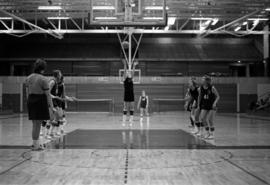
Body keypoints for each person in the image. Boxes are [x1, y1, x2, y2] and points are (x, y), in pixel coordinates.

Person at [25, 59, 54, 151]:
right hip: (40, 101)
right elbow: (48, 95)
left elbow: (27, 93)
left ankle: (35, 144)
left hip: (30, 100)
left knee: (35, 124)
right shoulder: (43, 79)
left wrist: (29, 102)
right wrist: (52, 107)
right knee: (38, 124)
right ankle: (36, 146)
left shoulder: (28, 78)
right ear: (43, 69)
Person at [122, 59, 138, 124]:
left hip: (131, 94)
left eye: (130, 72)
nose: (129, 73)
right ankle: (124, 120)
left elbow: (133, 72)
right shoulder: (125, 78)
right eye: (128, 72)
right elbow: (125, 71)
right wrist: (125, 65)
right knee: (125, 107)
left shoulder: (132, 79)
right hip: (126, 94)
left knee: (132, 107)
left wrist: (134, 66)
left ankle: (131, 120)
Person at [48, 70, 63, 137]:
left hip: (54, 100)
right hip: (50, 100)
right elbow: (47, 92)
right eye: (60, 74)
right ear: (57, 75)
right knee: (51, 118)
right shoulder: (52, 82)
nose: (61, 75)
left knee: (58, 116)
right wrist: (54, 96)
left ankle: (51, 132)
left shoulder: (56, 82)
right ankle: (47, 133)